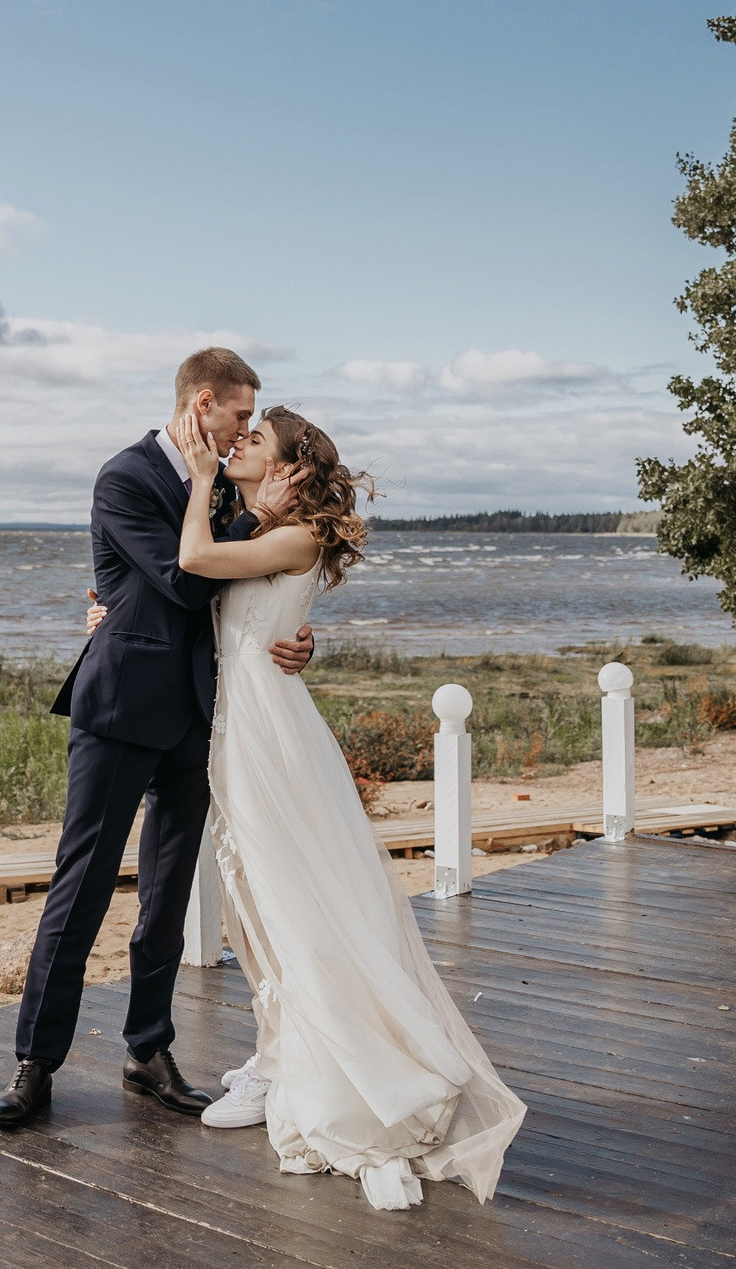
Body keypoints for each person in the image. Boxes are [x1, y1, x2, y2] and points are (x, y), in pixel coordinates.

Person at [164, 404, 526, 1210]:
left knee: (282, 898)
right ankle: (279, 1049)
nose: (239, 446)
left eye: (256, 441)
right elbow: (227, 601)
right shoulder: (274, 532)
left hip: (266, 732)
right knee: (259, 898)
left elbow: (193, 558)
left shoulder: (293, 536)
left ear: (290, 470)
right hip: (251, 721)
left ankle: (295, 1064)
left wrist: (197, 480)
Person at [0, 348, 315, 1130]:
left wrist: (297, 637)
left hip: (202, 716)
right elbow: (185, 577)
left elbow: (254, 587)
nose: (243, 435)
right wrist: (241, 507)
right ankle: (35, 1062)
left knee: (166, 900)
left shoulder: (228, 491)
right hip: (120, 710)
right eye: (239, 417)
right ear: (204, 403)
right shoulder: (126, 477)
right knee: (82, 888)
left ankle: (147, 1048)